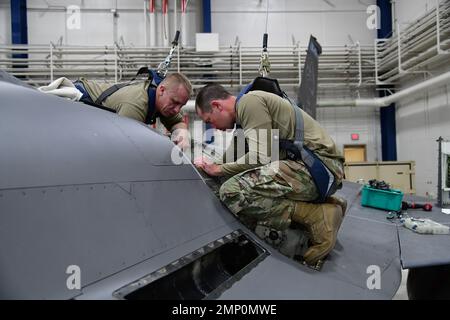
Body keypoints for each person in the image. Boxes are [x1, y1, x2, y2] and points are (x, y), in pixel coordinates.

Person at [193, 83, 347, 267]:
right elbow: (233, 159)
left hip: (320, 167)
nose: (214, 127)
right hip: (316, 169)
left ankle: (317, 215)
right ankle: (320, 208)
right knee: (235, 185)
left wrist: (218, 169)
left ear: (218, 106)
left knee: (232, 191)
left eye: (210, 120)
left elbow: (260, 156)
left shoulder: (250, 103)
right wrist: (210, 166)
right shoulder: (245, 118)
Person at [74, 72, 192, 149]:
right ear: (161, 90)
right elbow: (125, 147)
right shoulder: (136, 105)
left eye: (181, 105)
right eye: (175, 102)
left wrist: (182, 133)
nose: (177, 110)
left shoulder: (164, 103)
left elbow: (177, 122)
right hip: (78, 100)